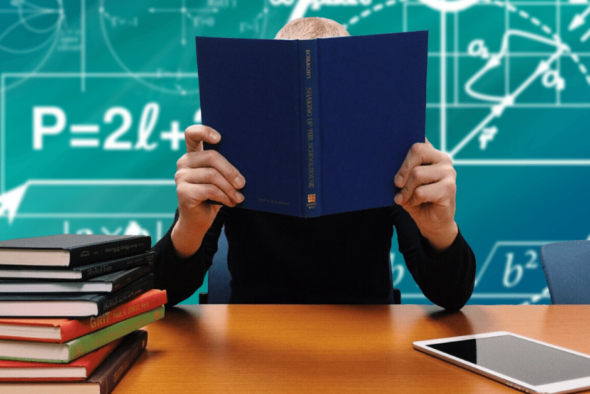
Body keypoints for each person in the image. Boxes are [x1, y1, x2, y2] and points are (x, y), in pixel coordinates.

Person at [153, 17, 476, 310]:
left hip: (367, 347)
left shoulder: (389, 151)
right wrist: (189, 229)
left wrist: (440, 230)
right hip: (253, 349)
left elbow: (452, 295)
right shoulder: (229, 150)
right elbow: (161, 292)